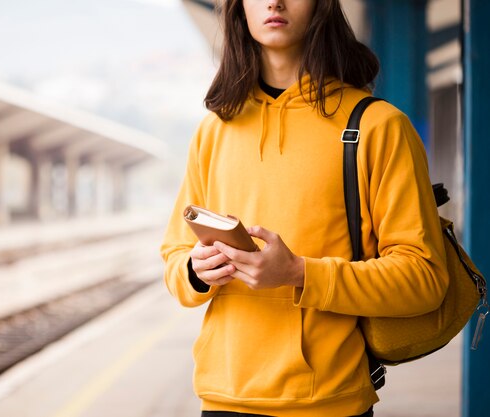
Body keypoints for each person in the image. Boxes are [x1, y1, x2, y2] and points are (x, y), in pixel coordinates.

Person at [160, 0, 448, 416]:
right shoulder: (214, 130)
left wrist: (299, 273)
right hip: (222, 396)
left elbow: (424, 277)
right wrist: (196, 271)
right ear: (239, 8)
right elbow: (173, 256)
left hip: (329, 402)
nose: (274, 2)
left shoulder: (378, 126)